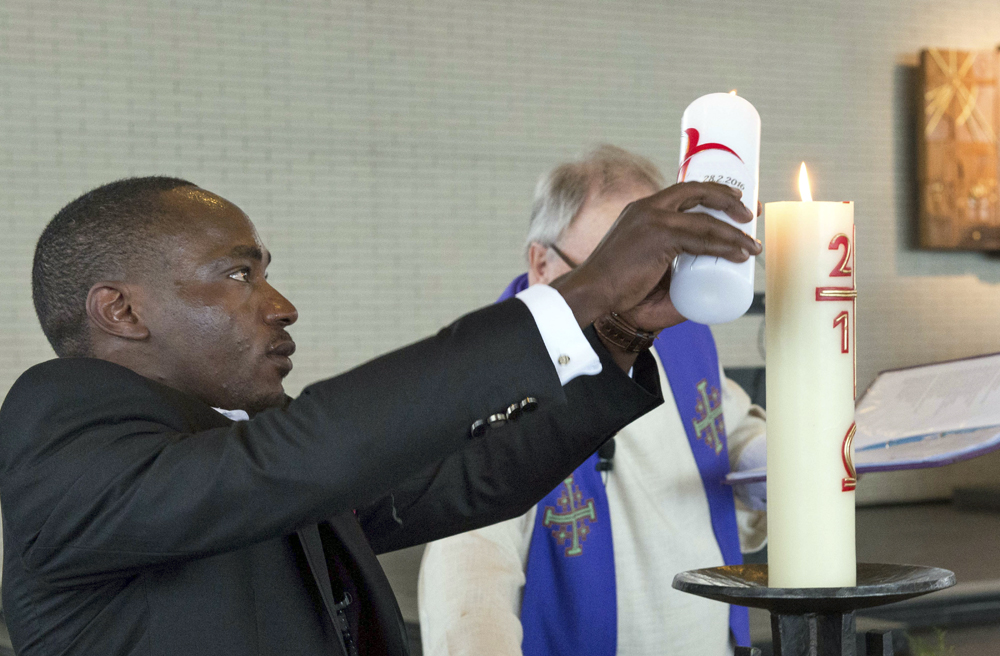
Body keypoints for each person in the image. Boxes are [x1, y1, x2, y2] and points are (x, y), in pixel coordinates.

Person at [0, 175, 759, 656]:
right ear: (122, 310)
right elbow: (302, 452)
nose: (281, 304)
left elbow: (469, 479)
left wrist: (619, 330)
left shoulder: (235, 464)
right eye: (237, 274)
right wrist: (574, 297)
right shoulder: (60, 419)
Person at [418, 146, 768, 656]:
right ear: (542, 262)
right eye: (615, 268)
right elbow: (469, 565)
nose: (641, 293)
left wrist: (764, 460)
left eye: (655, 266)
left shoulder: (680, 336)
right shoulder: (499, 377)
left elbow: (727, 421)